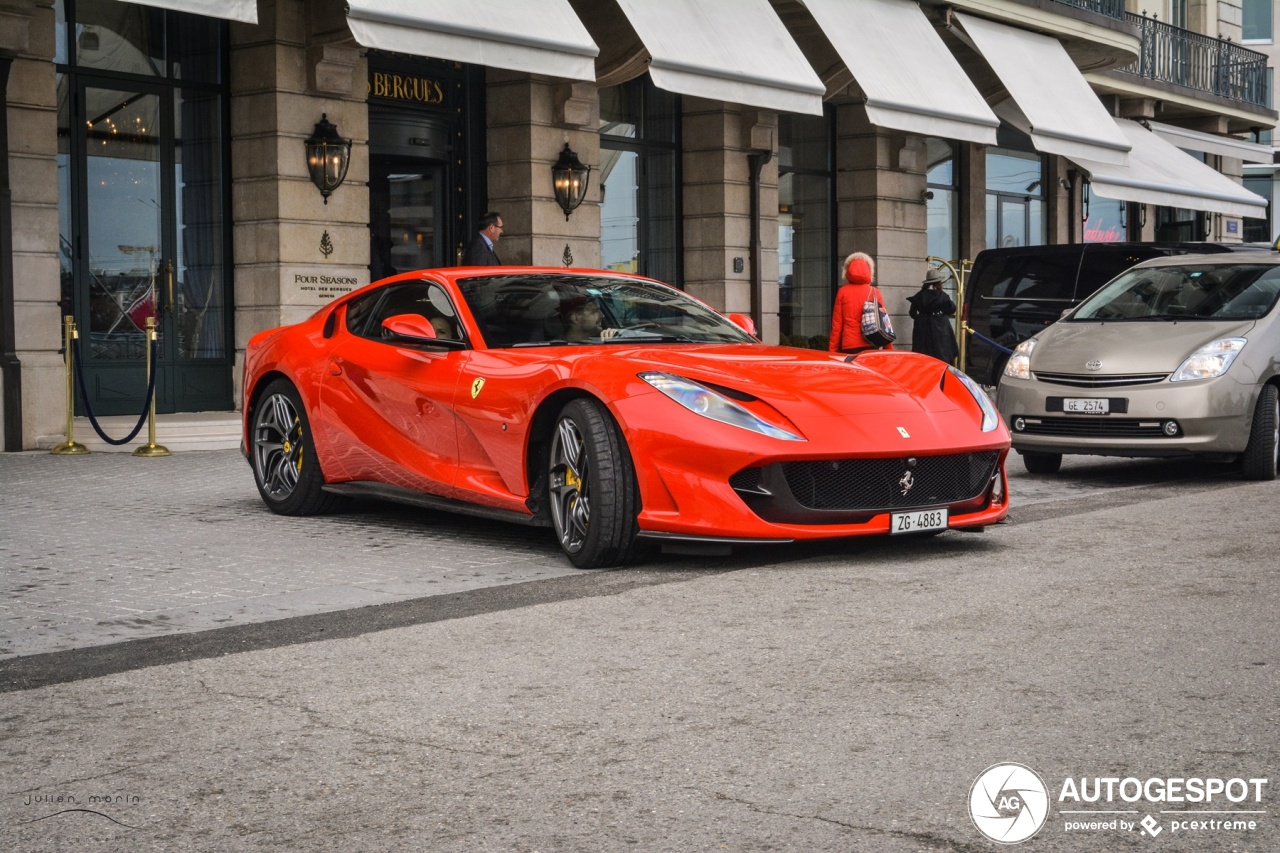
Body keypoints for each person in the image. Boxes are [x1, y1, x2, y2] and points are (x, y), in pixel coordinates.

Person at [829, 251, 894, 354]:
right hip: (871, 341)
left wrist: (832, 351)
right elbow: (884, 322)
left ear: (847, 271)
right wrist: (888, 349)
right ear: (869, 271)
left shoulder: (842, 292)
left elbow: (837, 324)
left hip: (849, 345)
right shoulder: (874, 292)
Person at [907, 268, 960, 364]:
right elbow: (952, 309)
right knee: (942, 357)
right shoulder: (942, 296)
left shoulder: (919, 296)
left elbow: (912, 313)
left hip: (922, 331)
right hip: (940, 329)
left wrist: (922, 318)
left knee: (924, 359)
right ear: (939, 282)